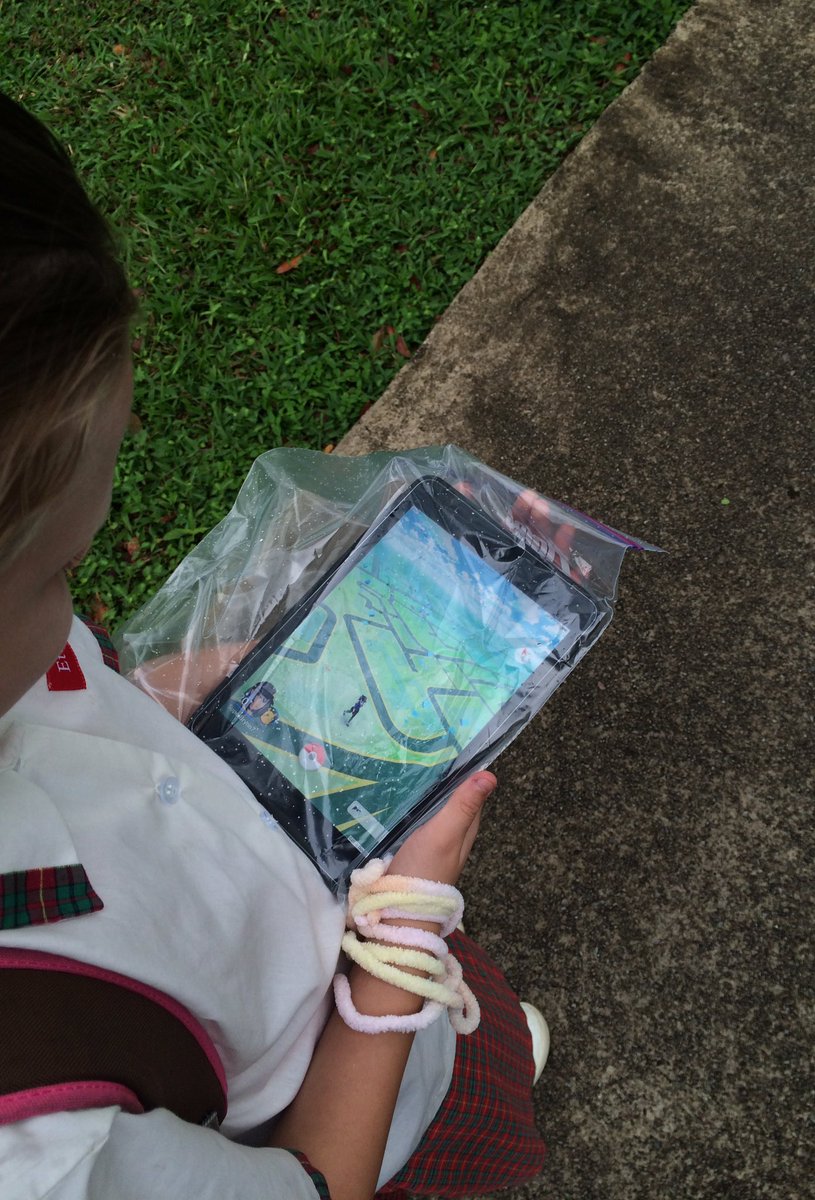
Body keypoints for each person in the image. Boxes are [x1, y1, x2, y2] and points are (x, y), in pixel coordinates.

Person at [0, 94, 547, 1200]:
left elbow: (60, 711)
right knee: (438, 1117)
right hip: (348, 1121)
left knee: (472, 1053)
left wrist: (200, 683)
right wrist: (401, 946)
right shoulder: (38, 1145)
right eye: (62, 567)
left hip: (293, 925)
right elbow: (317, 1184)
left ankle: (470, 1059)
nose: (78, 618)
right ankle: (438, 1076)